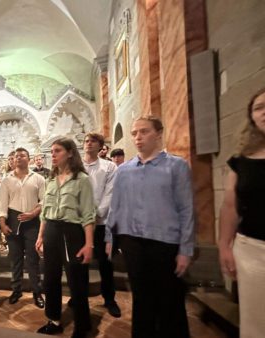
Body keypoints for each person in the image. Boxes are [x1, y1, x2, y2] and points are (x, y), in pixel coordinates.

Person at [106, 116, 194, 338]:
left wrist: (185, 249)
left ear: (158, 133)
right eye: (134, 133)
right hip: (133, 243)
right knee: (142, 300)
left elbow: (186, 209)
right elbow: (115, 206)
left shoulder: (177, 166)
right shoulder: (124, 171)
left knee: (170, 302)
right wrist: (109, 238)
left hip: (166, 244)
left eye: (144, 132)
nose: (137, 137)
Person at [35, 138, 95, 337]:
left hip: (72, 232)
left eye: (57, 151)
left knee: (76, 280)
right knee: (50, 279)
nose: (52, 154)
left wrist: (88, 244)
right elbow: (45, 212)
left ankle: (82, 325)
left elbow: (88, 214)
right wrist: (40, 236)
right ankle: (54, 320)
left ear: (70, 153)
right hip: (51, 230)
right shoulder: (49, 181)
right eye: (51, 151)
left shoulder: (82, 180)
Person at [219, 88, 265, 338]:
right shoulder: (242, 160)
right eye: (258, 107)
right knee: (256, 323)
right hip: (253, 250)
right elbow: (230, 205)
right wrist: (225, 245)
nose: (264, 112)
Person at [0, 147, 45, 308]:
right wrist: (3, 224)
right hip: (13, 221)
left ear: (29, 159)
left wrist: (33, 213)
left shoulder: (38, 178)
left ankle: (37, 292)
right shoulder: (7, 180)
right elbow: (2, 204)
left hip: (32, 223)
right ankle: (16, 290)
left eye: (22, 155)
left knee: (33, 260)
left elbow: (44, 201)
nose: (18, 158)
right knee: (15, 259)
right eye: (16, 156)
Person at [82, 133, 120, 317]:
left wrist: (96, 214)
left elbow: (110, 193)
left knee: (105, 262)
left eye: (93, 141)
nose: (89, 144)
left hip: (101, 222)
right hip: (79, 223)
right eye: (86, 141)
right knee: (79, 262)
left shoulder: (109, 167)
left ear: (100, 147)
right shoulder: (76, 166)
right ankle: (78, 296)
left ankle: (109, 298)